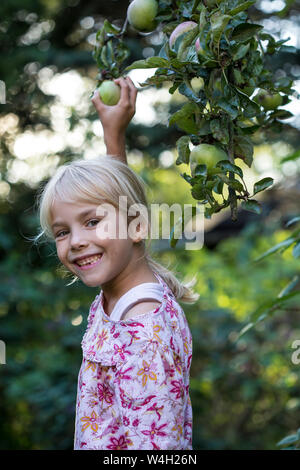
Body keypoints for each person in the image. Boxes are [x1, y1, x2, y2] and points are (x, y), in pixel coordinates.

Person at [33, 76, 199, 450]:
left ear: (137, 226)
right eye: (62, 232)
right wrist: (114, 135)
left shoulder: (140, 331)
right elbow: (120, 207)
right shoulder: (135, 284)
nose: (76, 241)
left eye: (91, 223)